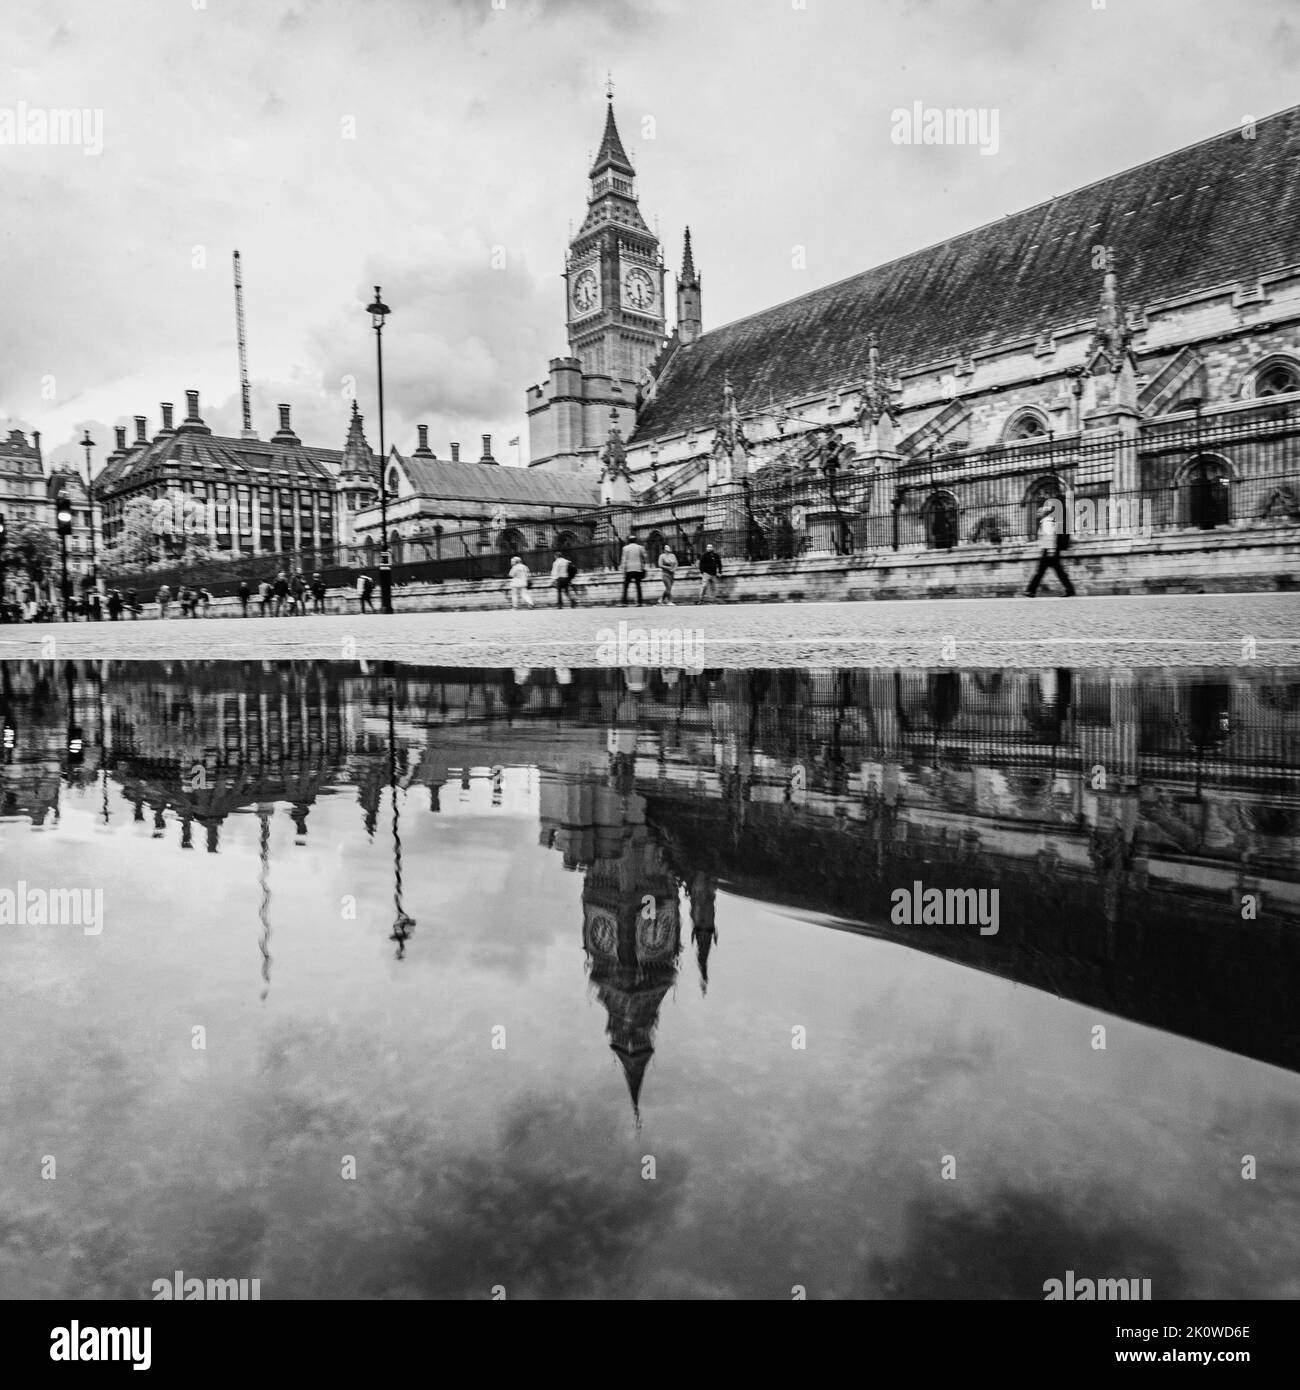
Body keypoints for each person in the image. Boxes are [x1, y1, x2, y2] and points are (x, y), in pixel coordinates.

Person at [1025, 498, 1076, 598]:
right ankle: (1069, 589)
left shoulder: (1046, 522)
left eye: (1039, 512)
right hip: (1050, 550)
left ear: (1044, 513)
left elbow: (1051, 536)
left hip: (1049, 551)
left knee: (1041, 572)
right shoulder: (1047, 521)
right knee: (1057, 572)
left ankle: (1030, 591)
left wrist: (1050, 551)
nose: (1037, 513)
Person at [620, 537, 647, 607]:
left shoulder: (625, 548)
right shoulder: (640, 547)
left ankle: (624, 602)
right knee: (638, 586)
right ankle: (640, 602)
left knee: (626, 586)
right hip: (638, 569)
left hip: (629, 569)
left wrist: (623, 570)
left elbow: (624, 560)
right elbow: (645, 557)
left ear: (629, 541)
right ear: (635, 540)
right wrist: (643, 565)